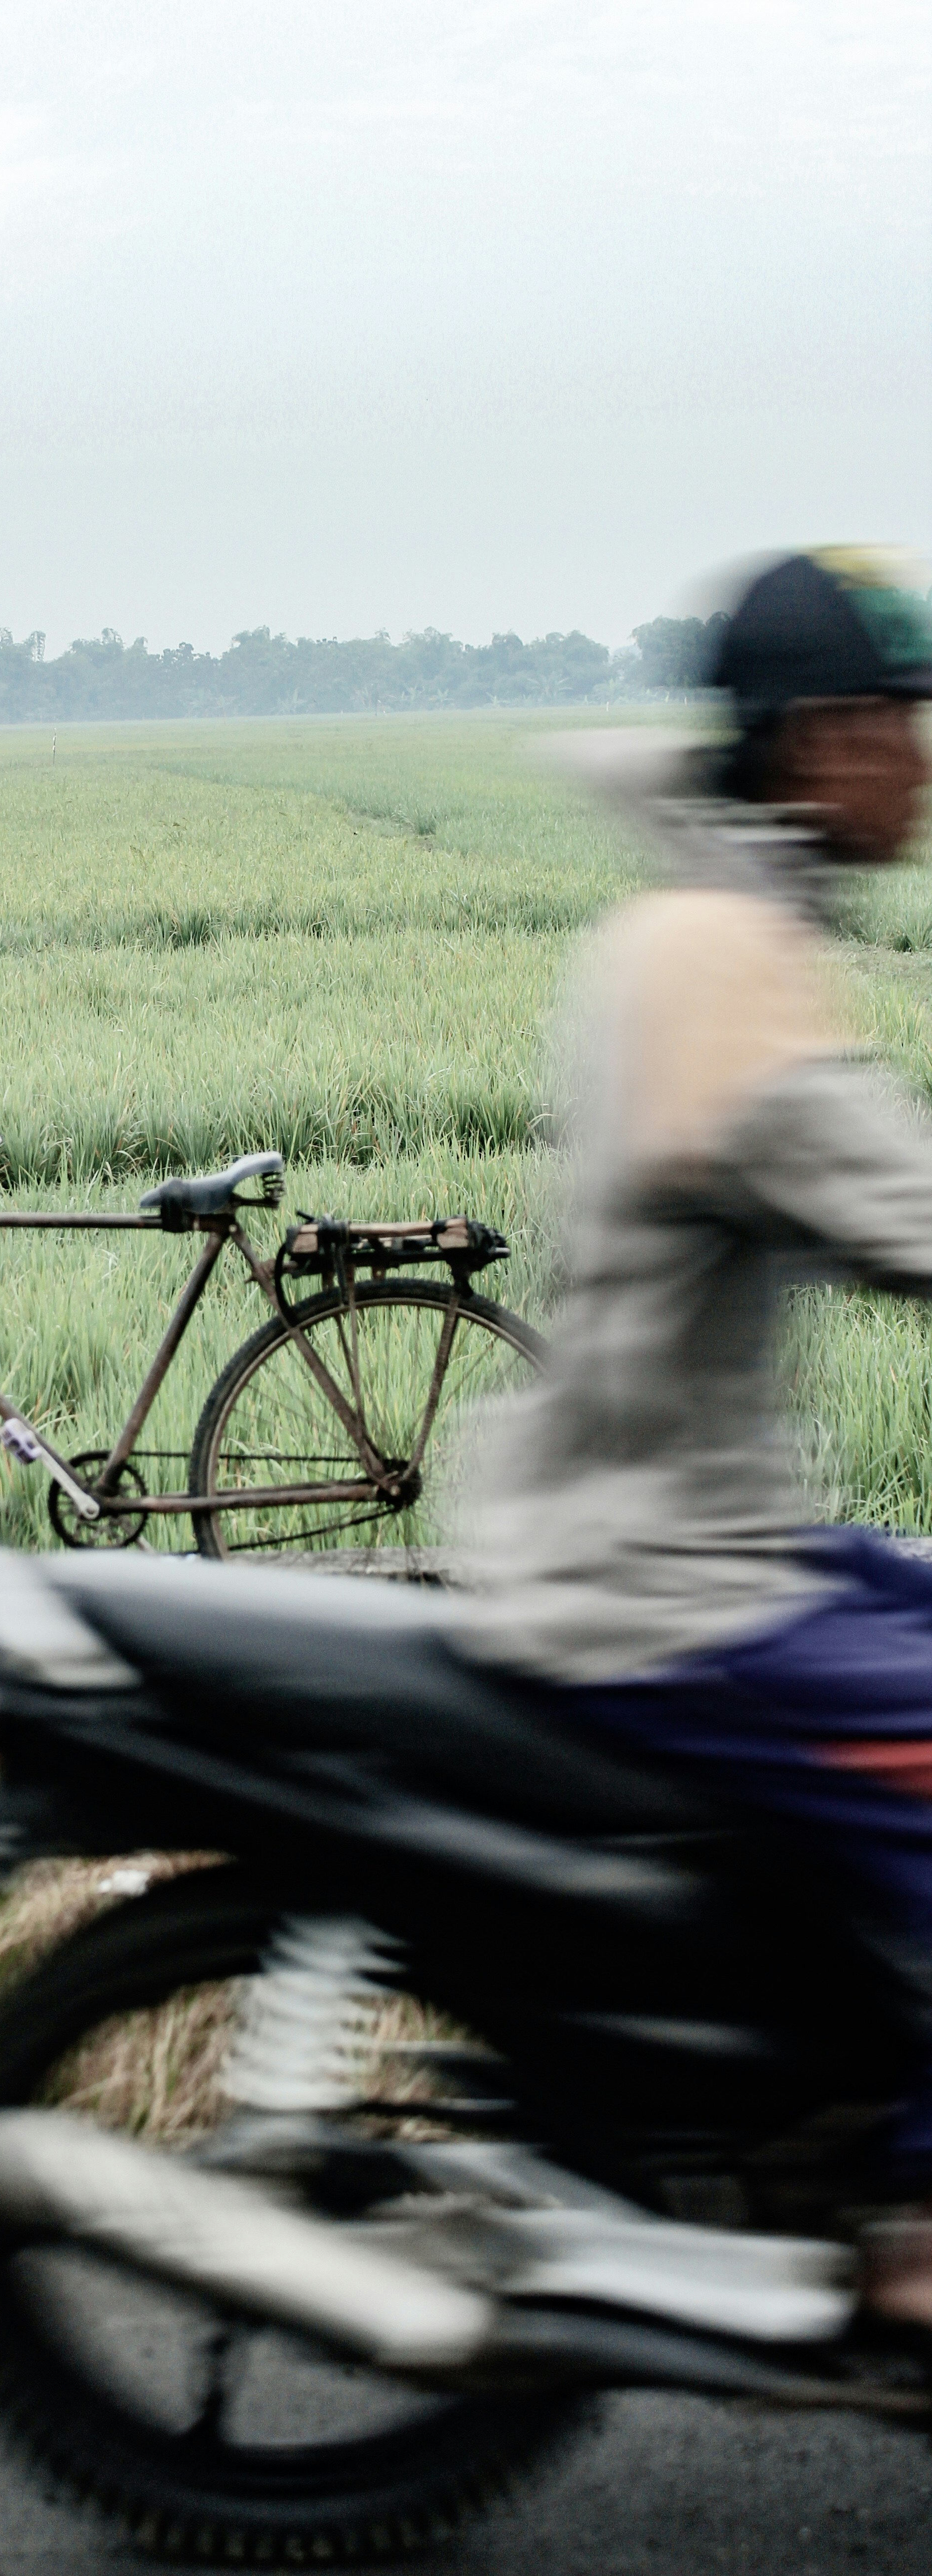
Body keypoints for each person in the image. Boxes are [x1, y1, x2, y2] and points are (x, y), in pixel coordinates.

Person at [455, 547, 932, 2317]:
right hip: (662, 1577)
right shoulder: (726, 957)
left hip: (685, 1526)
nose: (928, 762)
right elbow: (889, 1201)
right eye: (907, 723)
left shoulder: (713, 912)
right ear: (822, 743)